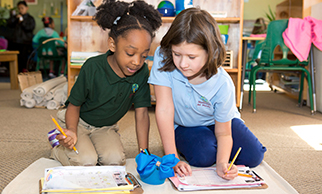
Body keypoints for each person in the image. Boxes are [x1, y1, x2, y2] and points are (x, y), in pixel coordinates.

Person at [148, 8, 267, 180]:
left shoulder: (222, 83)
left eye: (191, 57)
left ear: (210, 52)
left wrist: (222, 163)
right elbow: (164, 109)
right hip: (185, 124)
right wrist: (172, 157)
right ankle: (203, 143)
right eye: (177, 54)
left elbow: (224, 132)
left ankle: (213, 145)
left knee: (253, 156)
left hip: (220, 121)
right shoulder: (163, 55)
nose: (182, 63)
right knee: (203, 156)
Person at [50, 0, 162, 166]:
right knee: (86, 160)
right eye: (130, 53)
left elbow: (142, 113)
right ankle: (57, 146)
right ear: (112, 44)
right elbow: (74, 106)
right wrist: (72, 131)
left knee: (114, 160)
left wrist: (143, 152)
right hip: (79, 121)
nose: (137, 62)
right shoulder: (92, 67)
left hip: (105, 127)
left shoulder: (142, 71)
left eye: (144, 56)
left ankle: (90, 143)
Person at [7, 1, 35, 73]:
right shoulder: (16, 18)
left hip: (25, 43)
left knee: (23, 59)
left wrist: (22, 21)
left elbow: (29, 28)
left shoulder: (30, 19)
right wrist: (15, 18)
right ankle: (14, 72)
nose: (20, 10)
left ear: (27, 8)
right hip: (15, 42)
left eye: (22, 8)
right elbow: (9, 25)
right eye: (19, 8)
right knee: (15, 58)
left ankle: (23, 73)